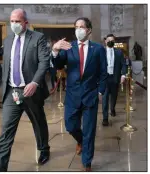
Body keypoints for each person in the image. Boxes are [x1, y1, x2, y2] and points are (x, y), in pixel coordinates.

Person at [0, 8, 50, 172]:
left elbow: (44, 62)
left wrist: (35, 82)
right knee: (6, 130)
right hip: (11, 92)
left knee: (38, 122)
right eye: (12, 21)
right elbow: (7, 65)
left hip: (31, 91)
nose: (14, 24)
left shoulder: (38, 38)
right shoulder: (7, 41)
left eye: (17, 21)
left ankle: (44, 148)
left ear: (25, 23)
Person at [52, 17, 108, 171]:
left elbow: (104, 73)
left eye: (82, 27)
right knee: (70, 125)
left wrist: (100, 91)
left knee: (90, 130)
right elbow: (58, 65)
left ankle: (87, 161)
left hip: (91, 95)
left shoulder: (98, 49)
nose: (78, 30)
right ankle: (81, 140)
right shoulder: (68, 47)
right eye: (76, 27)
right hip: (72, 95)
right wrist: (55, 51)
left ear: (89, 30)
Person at [102, 34, 126, 126]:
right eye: (109, 40)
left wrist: (123, 75)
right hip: (105, 78)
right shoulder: (102, 51)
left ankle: (112, 108)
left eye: (112, 40)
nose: (110, 42)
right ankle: (105, 118)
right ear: (105, 41)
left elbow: (123, 64)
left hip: (115, 77)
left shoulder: (119, 52)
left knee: (114, 96)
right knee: (105, 98)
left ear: (114, 42)